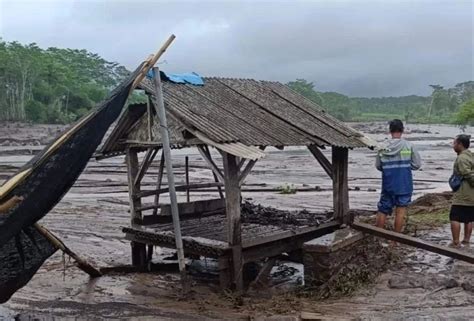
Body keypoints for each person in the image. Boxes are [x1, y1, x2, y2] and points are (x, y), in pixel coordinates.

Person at [375, 119, 421, 232]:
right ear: (402, 130)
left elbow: (378, 166)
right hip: (404, 184)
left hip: (388, 184)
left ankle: (378, 237)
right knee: (400, 212)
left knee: (383, 210)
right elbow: (417, 164)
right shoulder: (409, 146)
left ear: (390, 131)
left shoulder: (382, 147)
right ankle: (395, 241)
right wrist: (404, 166)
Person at [449, 134, 474, 247]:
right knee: (469, 217)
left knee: (454, 217)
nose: (453, 145)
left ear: (460, 144)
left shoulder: (461, 158)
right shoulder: (471, 155)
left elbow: (467, 174)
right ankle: (466, 240)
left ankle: (456, 242)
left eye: (454, 143)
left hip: (463, 193)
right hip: (471, 194)